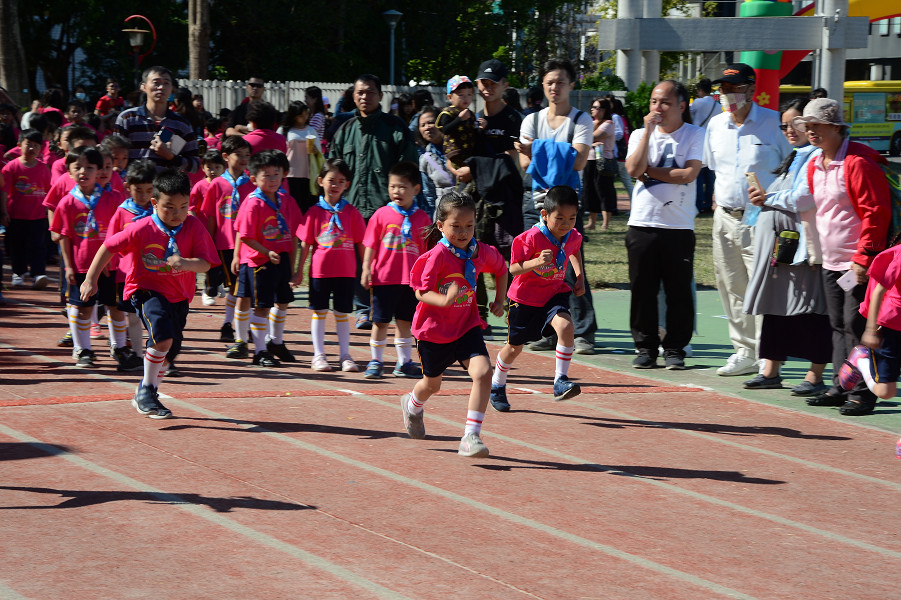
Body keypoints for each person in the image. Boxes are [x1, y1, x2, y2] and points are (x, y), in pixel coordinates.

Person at [81, 169, 219, 419]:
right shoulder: (141, 228)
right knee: (162, 337)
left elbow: (206, 263)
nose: (177, 213)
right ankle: (146, 390)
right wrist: (91, 279)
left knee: (169, 348)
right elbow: (108, 246)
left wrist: (187, 263)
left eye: (183, 206)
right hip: (146, 291)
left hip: (179, 296)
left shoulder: (193, 225)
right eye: (169, 207)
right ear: (155, 203)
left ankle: (148, 393)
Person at [794, 98, 890, 415]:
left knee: (856, 322)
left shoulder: (858, 163)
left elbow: (876, 214)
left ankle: (863, 393)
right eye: (806, 126)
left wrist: (864, 257)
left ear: (836, 126)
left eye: (816, 125)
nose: (810, 131)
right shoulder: (814, 165)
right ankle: (842, 384)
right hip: (831, 260)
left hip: (859, 262)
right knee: (837, 323)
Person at [400, 191, 507, 457]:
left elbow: (501, 268)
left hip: (466, 326)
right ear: (440, 226)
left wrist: (499, 299)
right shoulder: (437, 256)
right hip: (433, 331)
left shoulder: (479, 251)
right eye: (455, 226)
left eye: (469, 226)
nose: (463, 232)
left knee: (483, 373)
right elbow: (421, 292)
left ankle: (471, 436)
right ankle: (412, 405)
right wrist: (445, 299)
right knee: (432, 385)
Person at [703, 63, 792, 376]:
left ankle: (768, 355)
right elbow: (715, 168)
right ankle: (744, 350)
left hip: (762, 220)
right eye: (724, 89)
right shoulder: (715, 126)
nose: (728, 95)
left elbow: (790, 169)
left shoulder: (772, 122)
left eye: (735, 89)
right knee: (732, 285)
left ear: (751, 90)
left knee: (764, 286)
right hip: (725, 217)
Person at [742, 98, 832, 394]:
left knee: (809, 308)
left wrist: (767, 198)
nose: (789, 130)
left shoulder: (816, 157)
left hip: (803, 249)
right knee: (775, 306)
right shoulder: (796, 156)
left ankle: (815, 376)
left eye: (795, 123)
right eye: (785, 125)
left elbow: (805, 199)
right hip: (782, 249)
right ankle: (770, 369)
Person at [517, 57, 597, 355]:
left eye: (561, 82)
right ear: (542, 85)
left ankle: (585, 330)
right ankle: (547, 329)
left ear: (571, 85)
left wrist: (537, 148)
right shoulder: (531, 120)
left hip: (565, 204)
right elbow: (524, 163)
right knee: (540, 269)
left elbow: (579, 160)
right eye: (550, 82)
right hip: (537, 204)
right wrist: (545, 152)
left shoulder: (581, 120)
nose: (555, 87)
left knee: (573, 265)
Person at [329, 74, 420, 329]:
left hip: (388, 209)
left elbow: (409, 167)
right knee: (359, 260)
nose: (364, 97)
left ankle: (393, 308)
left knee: (391, 259)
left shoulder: (395, 127)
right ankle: (364, 309)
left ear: (380, 96)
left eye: (370, 92)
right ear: (353, 96)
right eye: (359, 93)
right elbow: (333, 169)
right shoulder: (344, 130)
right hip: (353, 208)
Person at [625, 80, 705, 370]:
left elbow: (688, 174)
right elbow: (633, 169)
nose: (657, 108)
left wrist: (649, 172)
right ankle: (645, 347)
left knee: (678, 292)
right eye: (653, 102)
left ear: (681, 106)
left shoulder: (694, 134)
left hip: (679, 227)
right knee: (642, 290)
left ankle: (675, 349)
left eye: (665, 102)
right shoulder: (638, 134)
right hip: (642, 225)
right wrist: (647, 133)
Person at [489, 185, 585, 411]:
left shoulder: (571, 235)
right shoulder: (529, 238)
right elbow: (513, 269)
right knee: (514, 348)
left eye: (572, 218)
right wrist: (536, 262)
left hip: (553, 293)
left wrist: (579, 276)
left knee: (566, 326)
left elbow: (575, 248)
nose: (566, 224)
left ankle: (560, 381)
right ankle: (497, 384)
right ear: (544, 214)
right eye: (559, 218)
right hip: (524, 300)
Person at [231, 150, 304, 367]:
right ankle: (259, 350)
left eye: (276, 174)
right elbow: (245, 235)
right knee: (261, 306)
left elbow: (293, 234)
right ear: (254, 179)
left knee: (283, 301)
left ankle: (276, 342)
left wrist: (293, 265)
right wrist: (264, 252)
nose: (272, 180)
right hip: (259, 261)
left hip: (280, 259)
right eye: (266, 175)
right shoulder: (253, 203)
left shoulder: (286, 200)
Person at [49, 147, 120, 368]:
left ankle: (119, 347)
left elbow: (118, 233)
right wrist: (68, 266)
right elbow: (64, 236)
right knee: (83, 307)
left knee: (114, 306)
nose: (83, 172)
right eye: (77, 167)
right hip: (80, 266)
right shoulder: (67, 203)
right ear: (68, 172)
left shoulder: (112, 198)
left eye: (89, 167)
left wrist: (111, 260)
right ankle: (83, 349)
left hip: (109, 265)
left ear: (99, 170)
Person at [360, 161, 431, 379]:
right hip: (384, 278)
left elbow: (426, 252)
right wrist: (365, 269)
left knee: (405, 322)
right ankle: (376, 360)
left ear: (416, 190)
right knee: (380, 321)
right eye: (392, 186)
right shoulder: (381, 214)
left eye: (402, 187)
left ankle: (404, 362)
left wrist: (426, 278)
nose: (396, 191)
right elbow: (370, 244)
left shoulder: (423, 218)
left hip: (410, 281)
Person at [298, 159, 366, 372]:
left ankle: (345, 355)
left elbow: (361, 243)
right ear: (320, 181)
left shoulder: (352, 213)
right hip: (320, 271)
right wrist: (298, 271)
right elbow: (306, 244)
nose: (335, 185)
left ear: (347, 184)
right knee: (319, 311)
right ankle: (318, 355)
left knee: (342, 313)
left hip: (345, 272)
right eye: (331, 180)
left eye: (341, 181)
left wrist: (366, 268)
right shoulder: (314, 212)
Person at [105, 159, 159, 372]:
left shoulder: (157, 211)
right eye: (138, 190)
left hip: (154, 272)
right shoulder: (122, 211)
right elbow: (111, 241)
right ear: (128, 187)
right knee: (133, 316)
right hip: (127, 273)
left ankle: (158, 356)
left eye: (148, 190)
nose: (144, 195)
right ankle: (136, 354)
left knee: (153, 316)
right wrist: (109, 264)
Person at [202, 135, 254, 347]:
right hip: (225, 243)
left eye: (247, 155)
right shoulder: (217, 184)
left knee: (243, 288)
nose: (243, 159)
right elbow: (211, 216)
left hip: (248, 244)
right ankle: (229, 324)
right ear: (225, 156)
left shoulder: (251, 184)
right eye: (238, 155)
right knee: (233, 287)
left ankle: (236, 325)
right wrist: (210, 243)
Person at [114, 66, 200, 173]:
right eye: (156, 82)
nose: (161, 87)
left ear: (172, 89)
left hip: (166, 188)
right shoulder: (127, 118)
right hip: (133, 187)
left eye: (166, 83)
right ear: (144, 87)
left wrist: (171, 157)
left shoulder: (182, 125)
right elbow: (115, 157)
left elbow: (195, 165)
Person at [846, 244, 901, 402]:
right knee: (886, 392)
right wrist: (870, 330)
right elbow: (879, 291)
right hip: (890, 327)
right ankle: (861, 360)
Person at [0, 129, 52, 289]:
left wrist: (47, 209)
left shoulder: (43, 168)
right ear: (19, 145)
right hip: (16, 215)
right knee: (18, 245)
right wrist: (4, 212)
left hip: (37, 216)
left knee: (37, 246)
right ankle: (18, 272)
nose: (32, 148)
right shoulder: (11, 167)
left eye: (36, 145)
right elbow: (4, 191)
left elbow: (49, 190)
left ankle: (38, 274)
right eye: (28, 144)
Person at [281, 100, 320, 213]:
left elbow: (319, 153)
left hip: (307, 174)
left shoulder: (311, 130)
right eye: (300, 116)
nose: (304, 118)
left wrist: (315, 150)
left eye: (306, 114)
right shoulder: (285, 130)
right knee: (291, 205)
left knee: (304, 206)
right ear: (294, 116)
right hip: (290, 174)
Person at [585, 97, 617, 231]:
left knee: (603, 191)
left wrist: (588, 141)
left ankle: (605, 223)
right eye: (593, 107)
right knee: (590, 190)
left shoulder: (608, 123)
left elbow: (592, 137)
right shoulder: (591, 123)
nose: (593, 110)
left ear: (604, 110)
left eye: (597, 107)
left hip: (603, 162)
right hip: (590, 160)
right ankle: (591, 223)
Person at [416, 106, 454, 212]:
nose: (427, 127)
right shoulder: (425, 159)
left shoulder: (457, 144)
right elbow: (429, 195)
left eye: (431, 122)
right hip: (444, 212)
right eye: (422, 125)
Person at [437, 76, 478, 173]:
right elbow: (445, 130)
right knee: (461, 179)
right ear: (450, 97)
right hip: (455, 154)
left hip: (469, 153)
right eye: (461, 95)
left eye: (469, 94)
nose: (466, 98)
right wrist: (459, 119)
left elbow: (474, 133)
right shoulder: (447, 113)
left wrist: (481, 127)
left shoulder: (470, 114)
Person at [689, 78, 718, 214]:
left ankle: (699, 203)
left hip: (698, 141)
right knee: (710, 175)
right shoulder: (717, 105)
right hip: (713, 143)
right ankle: (708, 203)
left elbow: (688, 114)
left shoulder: (697, 102)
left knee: (698, 174)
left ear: (700, 90)